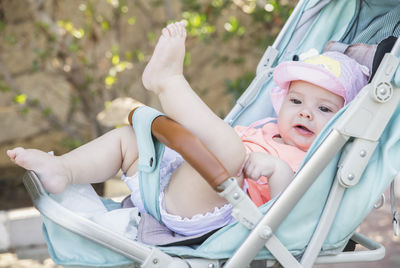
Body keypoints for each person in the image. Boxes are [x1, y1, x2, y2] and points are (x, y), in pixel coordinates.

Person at [6, 21, 369, 236]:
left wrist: (276, 170)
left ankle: (170, 82)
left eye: (323, 108)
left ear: (342, 120)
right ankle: (64, 168)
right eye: (296, 102)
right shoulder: (264, 127)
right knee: (129, 137)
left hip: (218, 213)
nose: (305, 114)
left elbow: (291, 212)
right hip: (172, 181)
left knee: (229, 150)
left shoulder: (318, 159)